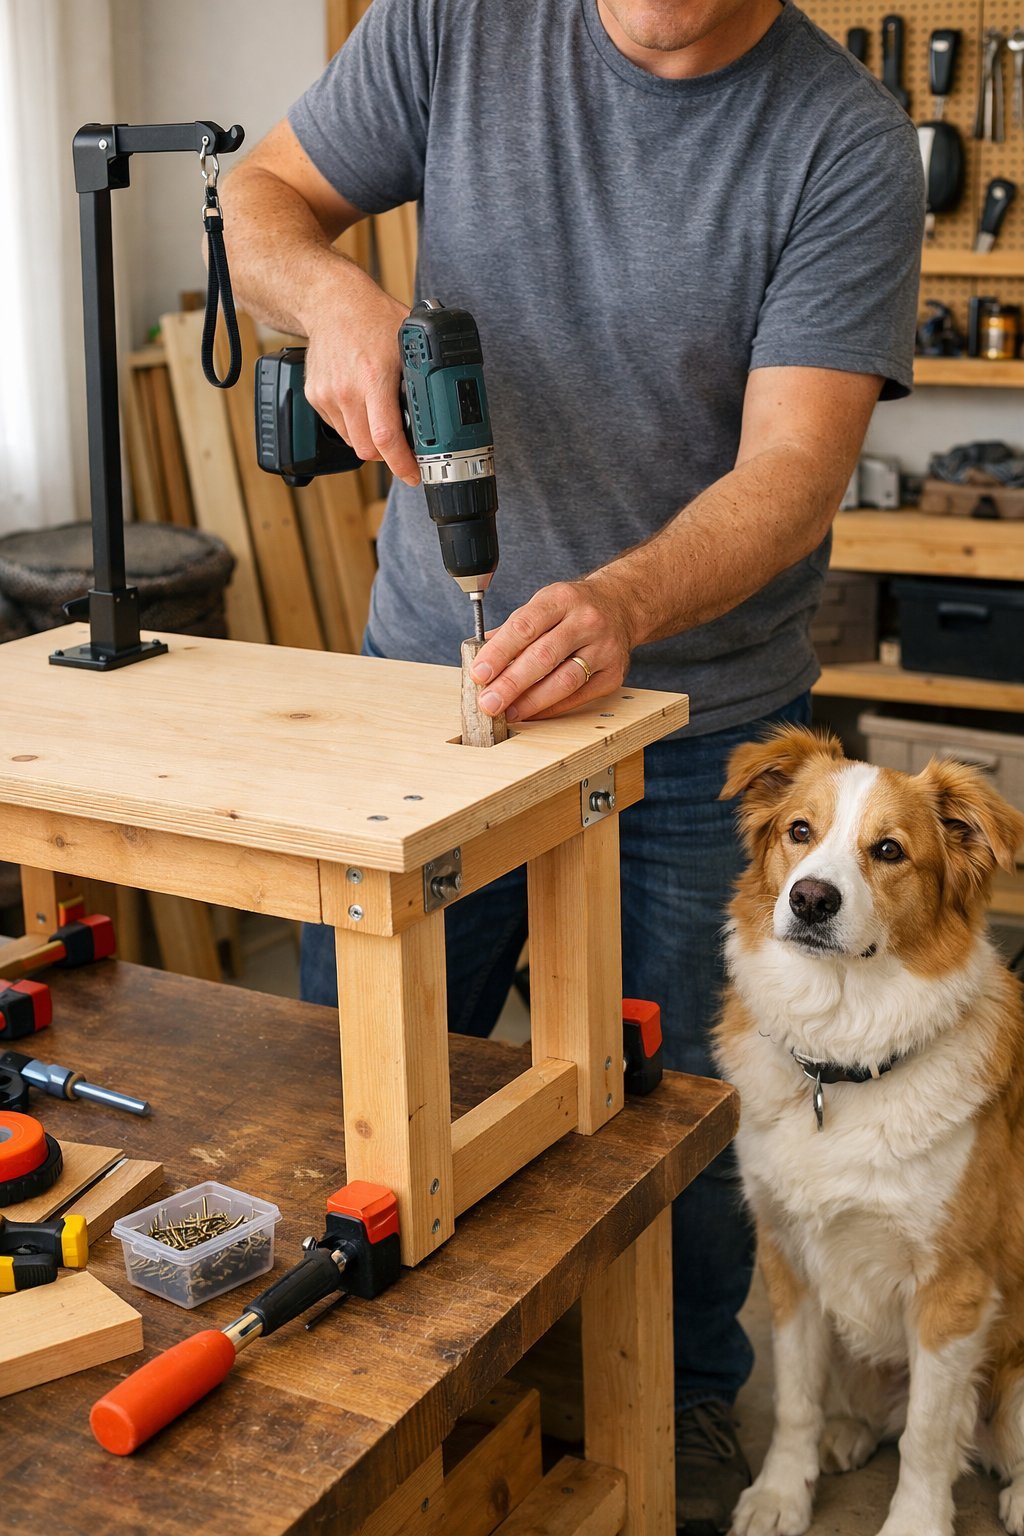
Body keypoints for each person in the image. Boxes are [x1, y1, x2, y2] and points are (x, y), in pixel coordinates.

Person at [221, 2, 923, 1527]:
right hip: (435, 681)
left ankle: (668, 1414)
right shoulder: (454, 24)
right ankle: (359, 1407)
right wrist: (333, 298)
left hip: (701, 728)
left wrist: (621, 603)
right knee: (352, 1083)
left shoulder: (845, 140)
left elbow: (795, 470)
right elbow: (256, 198)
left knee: (665, 1113)